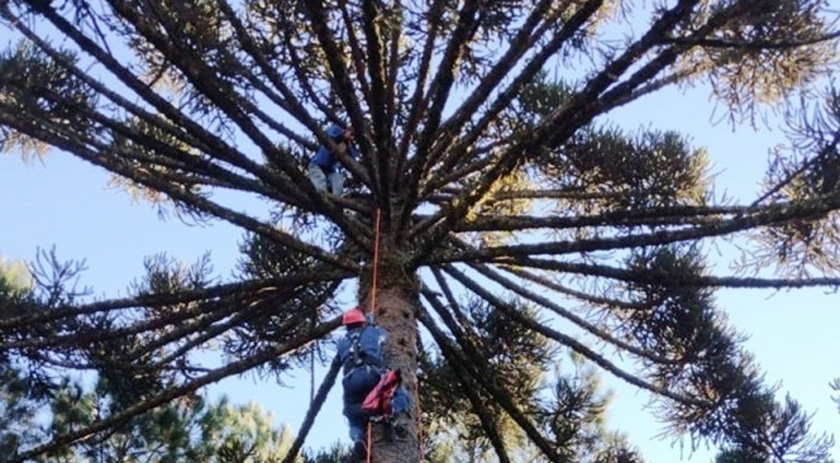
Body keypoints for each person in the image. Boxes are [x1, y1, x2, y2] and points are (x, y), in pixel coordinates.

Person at [337, 307, 409, 461]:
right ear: (362, 322)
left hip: (350, 381)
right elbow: (384, 337)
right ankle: (391, 411)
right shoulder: (371, 331)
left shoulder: (342, 342)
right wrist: (372, 325)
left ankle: (358, 438)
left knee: (353, 417)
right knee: (400, 393)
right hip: (371, 375)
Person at [308, 123, 358, 196]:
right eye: (352, 133)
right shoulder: (336, 129)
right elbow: (328, 136)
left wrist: (347, 143)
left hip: (330, 172)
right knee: (320, 180)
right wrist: (343, 138)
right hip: (317, 166)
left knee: (338, 178)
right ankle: (323, 197)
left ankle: (336, 200)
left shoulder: (350, 147)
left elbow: (352, 158)